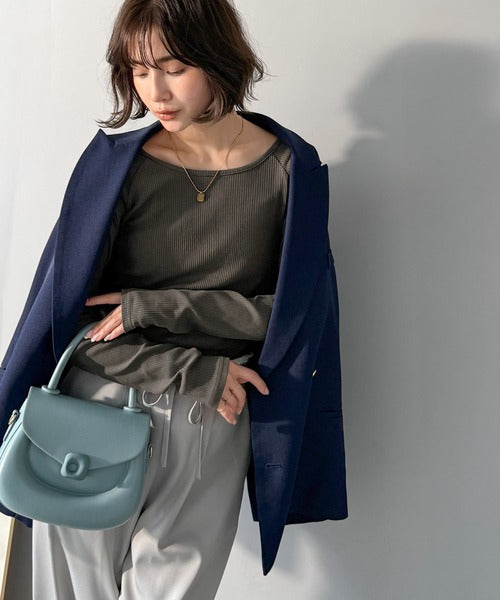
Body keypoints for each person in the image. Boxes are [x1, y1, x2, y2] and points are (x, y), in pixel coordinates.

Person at [0, 0, 348, 595]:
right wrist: (191, 369)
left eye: (173, 68)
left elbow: (293, 318)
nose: (154, 92)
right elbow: (70, 323)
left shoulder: (291, 170)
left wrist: (151, 306)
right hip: (96, 409)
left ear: (218, 58)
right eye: (139, 71)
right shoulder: (117, 168)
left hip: (211, 423)